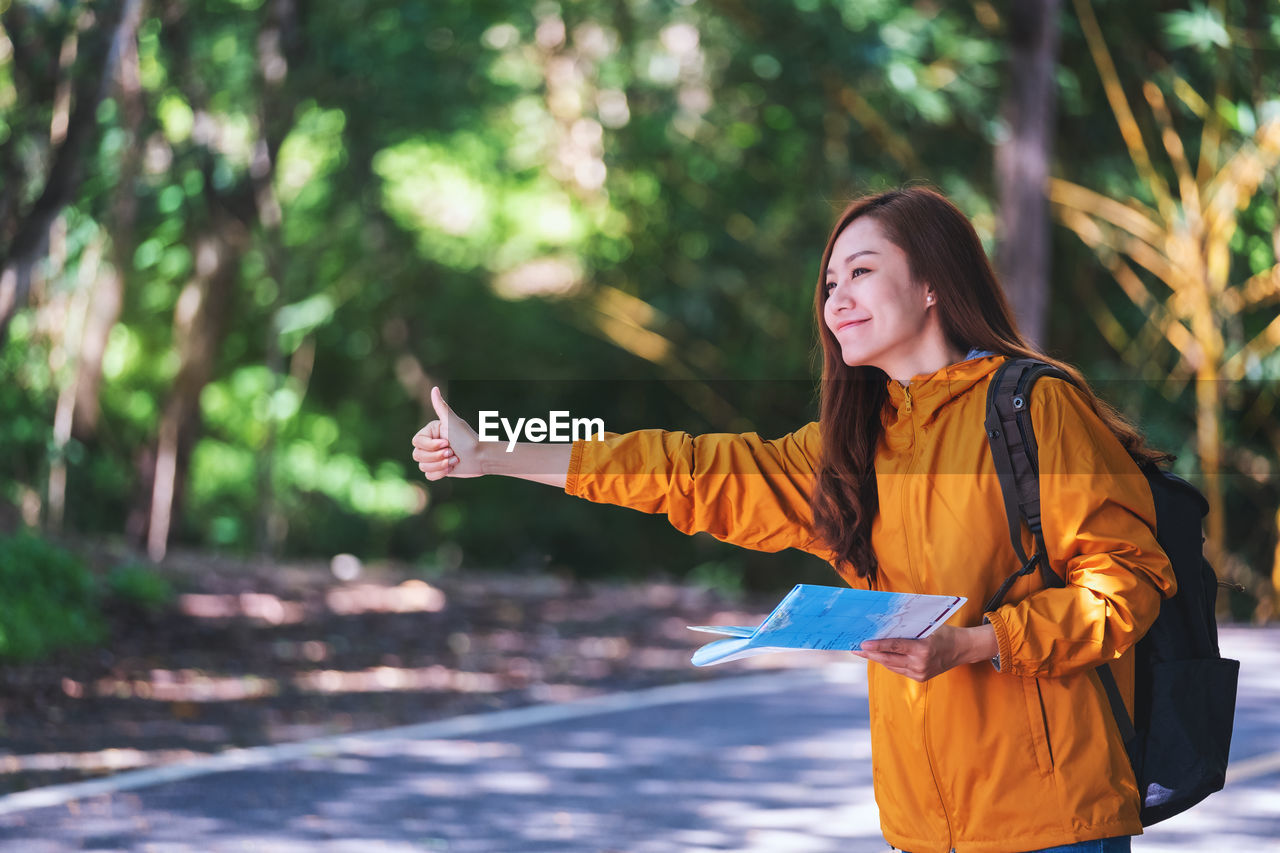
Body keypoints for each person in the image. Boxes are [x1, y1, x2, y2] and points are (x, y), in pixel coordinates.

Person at [410, 186, 1176, 853]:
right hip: (923, 820)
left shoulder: (1034, 408)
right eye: (830, 281)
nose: (835, 297)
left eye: (862, 272)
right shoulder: (854, 447)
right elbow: (686, 471)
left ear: (934, 283)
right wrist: (495, 455)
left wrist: (976, 643)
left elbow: (1129, 582)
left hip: (1050, 819)